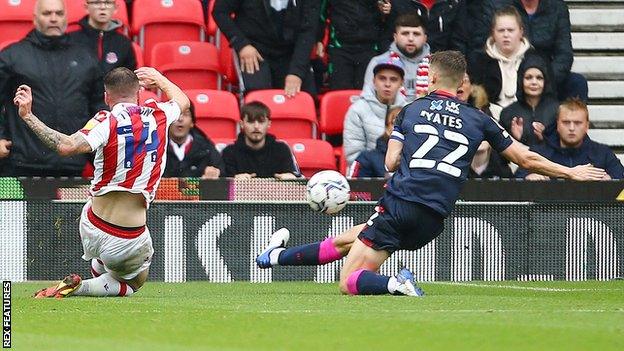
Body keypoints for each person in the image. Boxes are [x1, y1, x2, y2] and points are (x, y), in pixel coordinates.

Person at [256, 51, 606, 296]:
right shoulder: (479, 118)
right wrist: (570, 172)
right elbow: (526, 158)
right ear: (461, 84)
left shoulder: (410, 111)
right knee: (353, 237)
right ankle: (274, 257)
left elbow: (391, 163)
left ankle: (395, 284)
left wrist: (407, 149)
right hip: (434, 219)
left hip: (402, 202)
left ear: (433, 77)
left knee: (349, 281)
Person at [23, 66, 190, 298]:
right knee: (132, 284)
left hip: (90, 224)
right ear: (139, 93)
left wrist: (28, 116)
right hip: (127, 236)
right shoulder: (159, 114)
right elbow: (183, 100)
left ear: (106, 96)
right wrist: (159, 79)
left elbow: (66, 146)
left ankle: (98, 270)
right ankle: (81, 288)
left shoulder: (104, 120)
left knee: (105, 262)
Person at [0, 0, 107, 177]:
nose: (53, 19)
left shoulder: (85, 57)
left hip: (73, 165)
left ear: (66, 18)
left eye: (58, 13)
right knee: (16, 206)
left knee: (70, 207)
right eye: (47, 13)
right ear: (35, 19)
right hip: (22, 165)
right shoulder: (13, 56)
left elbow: (99, 106)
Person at [472, 0, 587, 102]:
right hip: (501, 69)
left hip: (546, 74)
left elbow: (564, 55)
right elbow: (479, 48)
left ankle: (570, 123)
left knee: (576, 82)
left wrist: (542, 81)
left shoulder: (557, 7)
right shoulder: (496, 4)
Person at [212, 0, 320, 97]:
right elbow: (220, 12)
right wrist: (242, 45)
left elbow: (308, 30)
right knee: (257, 94)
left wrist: (296, 72)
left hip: (290, 50)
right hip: (254, 49)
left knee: (304, 94)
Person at [516, 99, 624, 180]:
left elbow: (620, 179)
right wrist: (528, 179)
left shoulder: (603, 154)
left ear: (587, 126)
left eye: (577, 123)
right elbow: (516, 182)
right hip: (546, 209)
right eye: (566, 122)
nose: (571, 128)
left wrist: (611, 181)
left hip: (592, 209)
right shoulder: (538, 153)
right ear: (557, 124)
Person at [344, 55, 407, 167]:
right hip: (368, 174)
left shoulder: (409, 111)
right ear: (373, 81)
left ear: (401, 83)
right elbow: (353, 155)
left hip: (401, 174)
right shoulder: (357, 110)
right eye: (382, 78)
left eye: (393, 79)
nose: (387, 84)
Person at [316, 0, 391, 90]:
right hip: (340, 48)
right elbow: (320, 15)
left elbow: (388, 10)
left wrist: (387, 11)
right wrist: (319, 39)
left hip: (369, 49)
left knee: (367, 93)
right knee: (341, 92)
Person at [469, 6, 534, 108]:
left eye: (510, 30)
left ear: (521, 32)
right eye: (501, 30)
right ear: (493, 33)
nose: (506, 35)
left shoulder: (535, 60)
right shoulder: (479, 61)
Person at [362, 12, 431, 101]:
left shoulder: (437, 65)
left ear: (425, 38)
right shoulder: (378, 63)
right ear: (395, 37)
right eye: (405, 33)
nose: (410, 38)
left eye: (416, 34)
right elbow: (367, 99)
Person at [221, 101, 299, 179]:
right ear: (242, 124)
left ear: (269, 124)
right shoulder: (229, 153)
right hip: (240, 191)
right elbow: (220, 187)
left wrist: (291, 180)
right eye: (250, 122)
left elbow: (298, 179)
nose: (256, 126)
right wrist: (233, 181)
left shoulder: (282, 149)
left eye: (261, 122)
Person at [500, 54, 559, 147]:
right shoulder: (508, 113)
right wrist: (517, 139)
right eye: (528, 78)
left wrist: (545, 138)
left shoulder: (558, 111)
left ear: (546, 81)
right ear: (521, 81)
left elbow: (565, 148)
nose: (534, 82)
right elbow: (500, 151)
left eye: (539, 78)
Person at [70, 0, 137, 74]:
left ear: (115, 8)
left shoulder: (124, 43)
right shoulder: (71, 41)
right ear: (86, 7)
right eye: (97, 2)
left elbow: (130, 80)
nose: (103, 7)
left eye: (108, 2)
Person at [163, 102, 224, 179]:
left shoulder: (206, 147)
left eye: (185, 114)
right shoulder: (156, 147)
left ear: (192, 122)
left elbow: (222, 173)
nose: (180, 119)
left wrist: (215, 173)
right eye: (175, 115)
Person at [387, 0, 468, 54]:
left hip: (441, 65)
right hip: (404, 62)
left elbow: (458, 40)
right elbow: (389, 37)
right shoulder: (398, 3)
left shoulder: (454, 3)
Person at [348, 107, 402, 178]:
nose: (401, 128)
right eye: (395, 123)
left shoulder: (418, 158)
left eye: (405, 124)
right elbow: (355, 186)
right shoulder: (366, 158)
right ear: (387, 128)